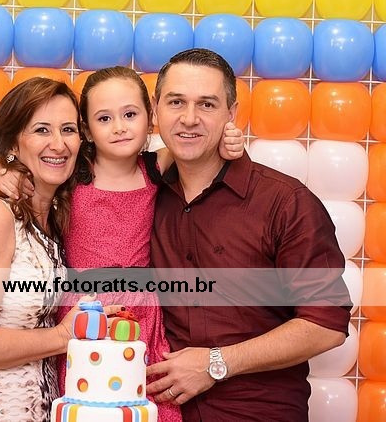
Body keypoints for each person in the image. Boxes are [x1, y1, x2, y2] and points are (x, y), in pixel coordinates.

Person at [0, 66, 245, 422]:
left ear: (150, 117)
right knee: (90, 403)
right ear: (86, 129)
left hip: (142, 311)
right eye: (104, 118)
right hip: (85, 310)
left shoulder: (156, 166)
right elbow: (21, 162)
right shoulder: (72, 171)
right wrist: (2, 168)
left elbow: (198, 142)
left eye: (130, 115)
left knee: (145, 402)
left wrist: (229, 138)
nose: (120, 127)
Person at [145, 49, 352, 421]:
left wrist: (216, 363)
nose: (189, 118)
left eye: (207, 104)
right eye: (176, 102)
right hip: (161, 411)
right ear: (155, 110)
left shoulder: (285, 202)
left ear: (231, 114)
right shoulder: (143, 194)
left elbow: (326, 325)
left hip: (256, 412)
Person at [0, 77, 120, 422]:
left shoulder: (51, 218)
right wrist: (63, 336)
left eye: (68, 130)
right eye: (41, 130)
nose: (58, 144)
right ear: (13, 144)